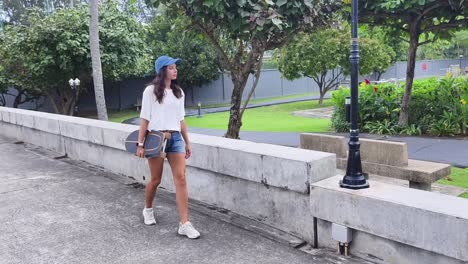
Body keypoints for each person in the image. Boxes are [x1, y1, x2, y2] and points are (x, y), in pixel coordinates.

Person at [136, 55, 200, 239]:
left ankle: (184, 224)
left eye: (175, 67)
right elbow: (145, 119)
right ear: (162, 70)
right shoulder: (150, 91)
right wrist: (140, 144)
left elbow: (181, 120)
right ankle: (148, 209)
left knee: (181, 178)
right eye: (171, 67)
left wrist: (187, 142)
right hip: (156, 138)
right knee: (156, 180)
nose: (175, 70)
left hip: (175, 139)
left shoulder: (178, 92)